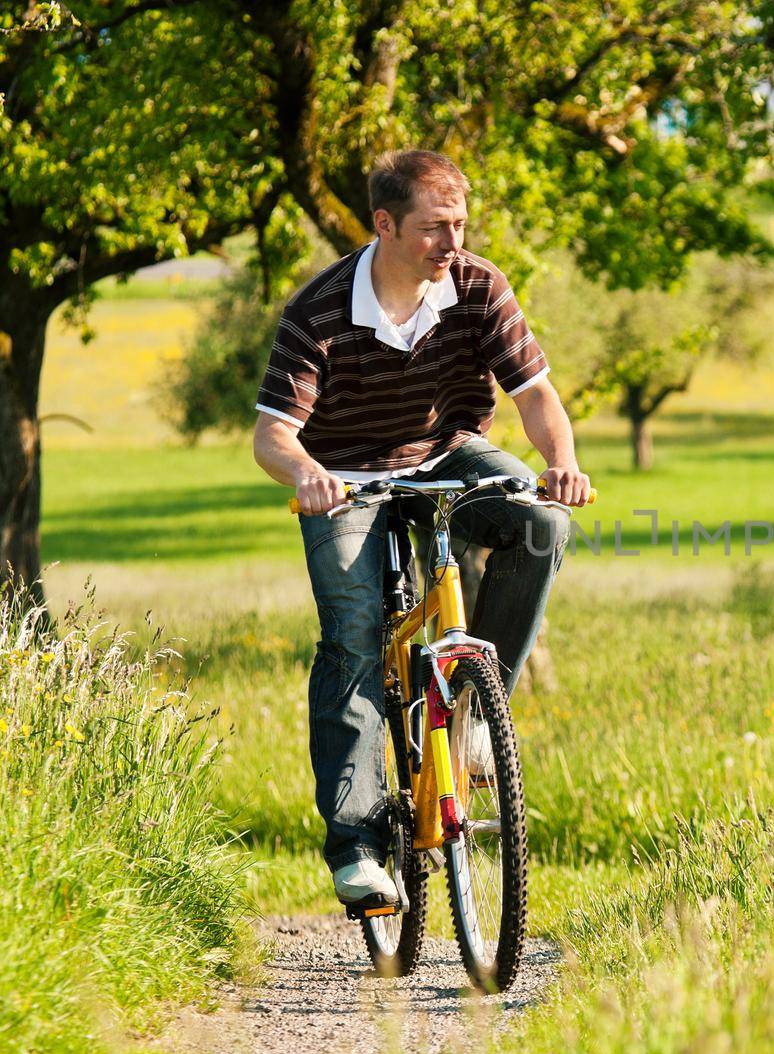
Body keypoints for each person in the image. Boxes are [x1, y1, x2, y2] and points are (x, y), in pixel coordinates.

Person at [251, 149, 591, 909]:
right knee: (353, 630)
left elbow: (535, 395)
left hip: (448, 453)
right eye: (436, 228)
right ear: (385, 224)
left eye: (460, 225)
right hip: (346, 477)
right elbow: (272, 435)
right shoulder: (320, 310)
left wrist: (561, 461)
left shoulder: (477, 285)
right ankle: (358, 847)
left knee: (541, 525)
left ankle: (474, 711)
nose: (453, 243)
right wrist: (305, 471)